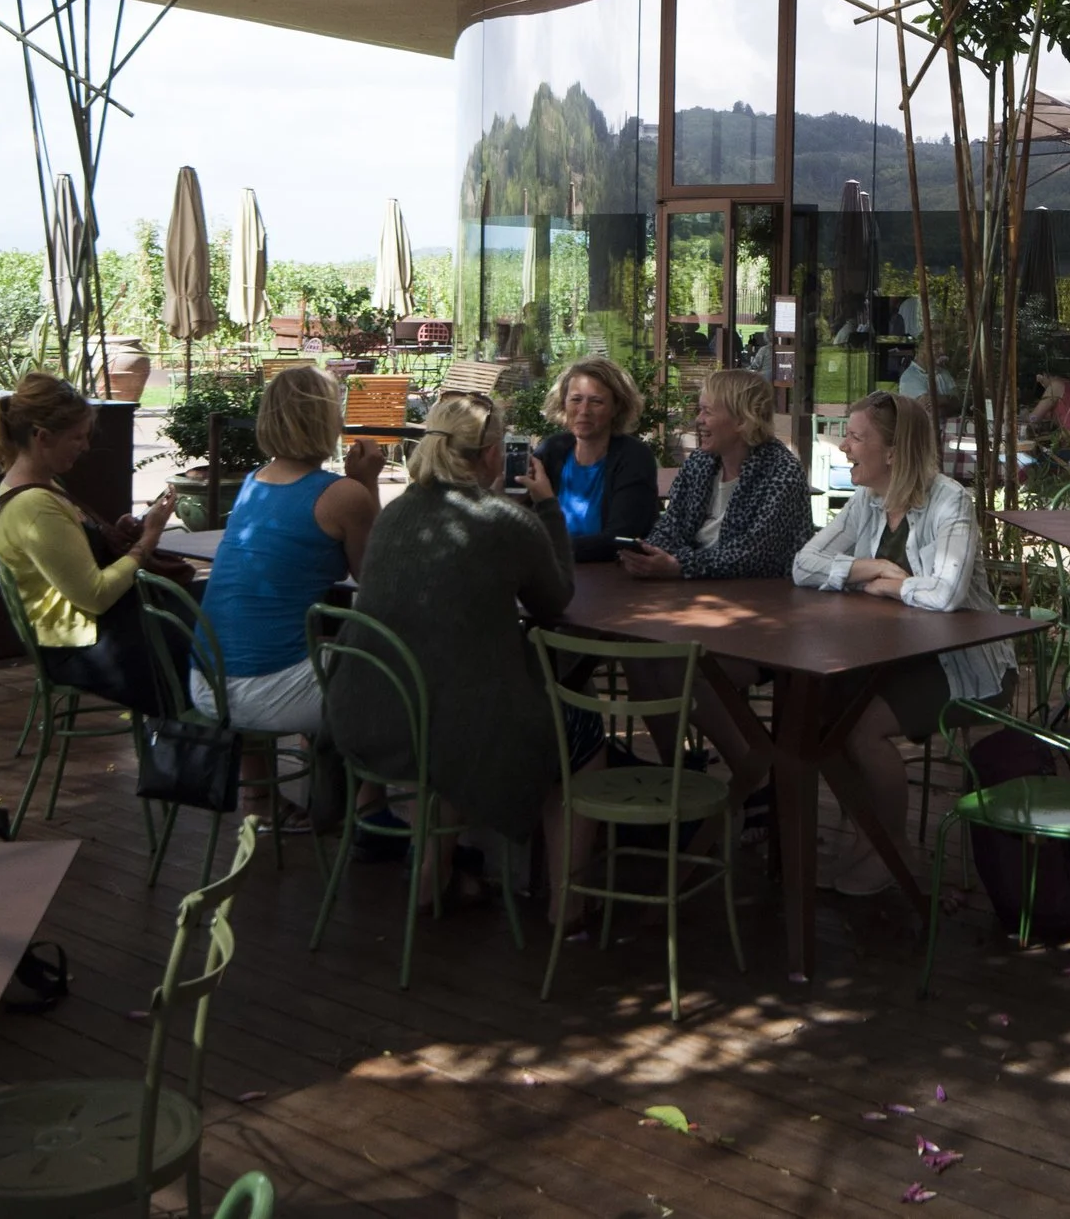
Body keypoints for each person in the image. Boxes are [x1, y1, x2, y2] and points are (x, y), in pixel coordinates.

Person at [327, 390, 602, 917]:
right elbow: (555, 599)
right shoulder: (504, 521)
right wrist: (547, 507)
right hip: (448, 724)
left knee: (457, 699)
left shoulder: (397, 512)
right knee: (584, 731)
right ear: (493, 453)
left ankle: (436, 871)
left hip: (368, 713)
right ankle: (567, 905)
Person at [792, 391, 1015, 895]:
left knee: (860, 730)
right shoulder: (867, 502)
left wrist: (891, 585)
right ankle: (867, 838)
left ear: (893, 452)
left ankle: (892, 850)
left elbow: (945, 593)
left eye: (855, 437)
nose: (843, 447)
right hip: (886, 658)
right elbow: (803, 565)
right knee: (820, 720)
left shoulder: (949, 501)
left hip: (963, 664)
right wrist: (871, 567)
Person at [191, 367, 380, 822]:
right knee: (394, 676)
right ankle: (369, 813)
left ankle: (260, 799)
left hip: (206, 682)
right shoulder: (343, 495)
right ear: (327, 419)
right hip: (265, 692)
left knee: (299, 641)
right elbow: (377, 578)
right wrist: (367, 483)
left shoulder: (254, 482)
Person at [619, 367, 814, 777]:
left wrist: (678, 566)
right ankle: (677, 771)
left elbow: (752, 557)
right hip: (698, 610)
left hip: (764, 626)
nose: (699, 420)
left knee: (678, 667)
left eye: (708, 411)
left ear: (742, 419)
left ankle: (752, 773)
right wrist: (651, 555)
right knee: (638, 656)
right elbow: (669, 528)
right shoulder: (700, 465)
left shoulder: (781, 472)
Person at [0, 372, 177, 715]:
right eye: (77, 437)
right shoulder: (34, 505)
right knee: (198, 654)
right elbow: (95, 595)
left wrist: (114, 533)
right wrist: (148, 539)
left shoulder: (40, 486)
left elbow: (71, 556)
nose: (85, 446)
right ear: (42, 437)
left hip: (85, 633)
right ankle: (193, 737)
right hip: (78, 647)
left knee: (197, 627)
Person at [530, 357, 660, 562]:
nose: (584, 411)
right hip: (552, 573)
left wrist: (546, 550)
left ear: (616, 407)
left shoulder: (634, 457)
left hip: (612, 577)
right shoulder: (551, 450)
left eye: (596, 401)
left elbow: (620, 539)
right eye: (576, 399)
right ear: (563, 403)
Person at [1023, 370, 1070, 460]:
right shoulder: (1068, 384)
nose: (1041, 384)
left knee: (1033, 459)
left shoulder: (1055, 386)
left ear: (1045, 374)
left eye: (1041, 380)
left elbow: (1033, 418)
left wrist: (1024, 415)